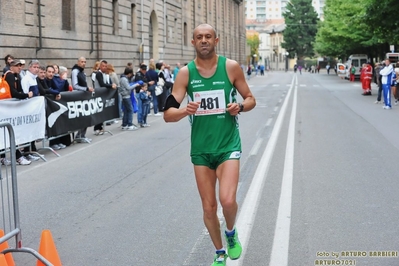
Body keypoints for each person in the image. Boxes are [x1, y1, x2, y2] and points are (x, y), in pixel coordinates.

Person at [163, 23, 256, 266]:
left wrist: (241, 106)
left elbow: (250, 98)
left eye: (208, 37)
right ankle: (219, 253)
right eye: (199, 37)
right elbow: (168, 113)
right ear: (192, 42)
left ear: (216, 40)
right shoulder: (185, 73)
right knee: (208, 207)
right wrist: (185, 111)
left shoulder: (230, 67)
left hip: (227, 146)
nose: (203, 40)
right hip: (201, 150)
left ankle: (231, 233)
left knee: (227, 200)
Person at [71, 57, 94, 143]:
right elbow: (75, 85)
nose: (84, 63)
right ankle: (79, 135)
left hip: (84, 96)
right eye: (82, 62)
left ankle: (81, 135)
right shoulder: (75, 71)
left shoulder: (82, 71)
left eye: (85, 62)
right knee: (83, 117)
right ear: (78, 62)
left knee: (86, 116)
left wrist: (87, 89)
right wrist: (86, 88)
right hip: (78, 97)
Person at [93, 60, 117, 135]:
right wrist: (111, 86)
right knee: (98, 112)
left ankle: (100, 127)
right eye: (103, 66)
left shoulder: (104, 74)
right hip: (98, 94)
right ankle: (97, 128)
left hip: (102, 95)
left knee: (102, 111)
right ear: (100, 66)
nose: (104, 68)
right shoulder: (98, 74)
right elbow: (102, 84)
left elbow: (106, 83)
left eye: (106, 66)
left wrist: (111, 84)